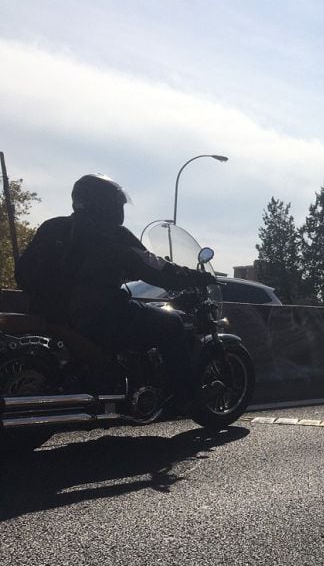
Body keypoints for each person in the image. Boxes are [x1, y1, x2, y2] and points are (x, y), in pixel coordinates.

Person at [15, 173, 216, 409]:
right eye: (117, 203)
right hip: (97, 315)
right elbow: (156, 269)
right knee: (171, 324)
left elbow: (22, 274)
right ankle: (187, 399)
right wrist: (197, 276)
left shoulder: (53, 226)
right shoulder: (113, 236)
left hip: (48, 314)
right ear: (106, 204)